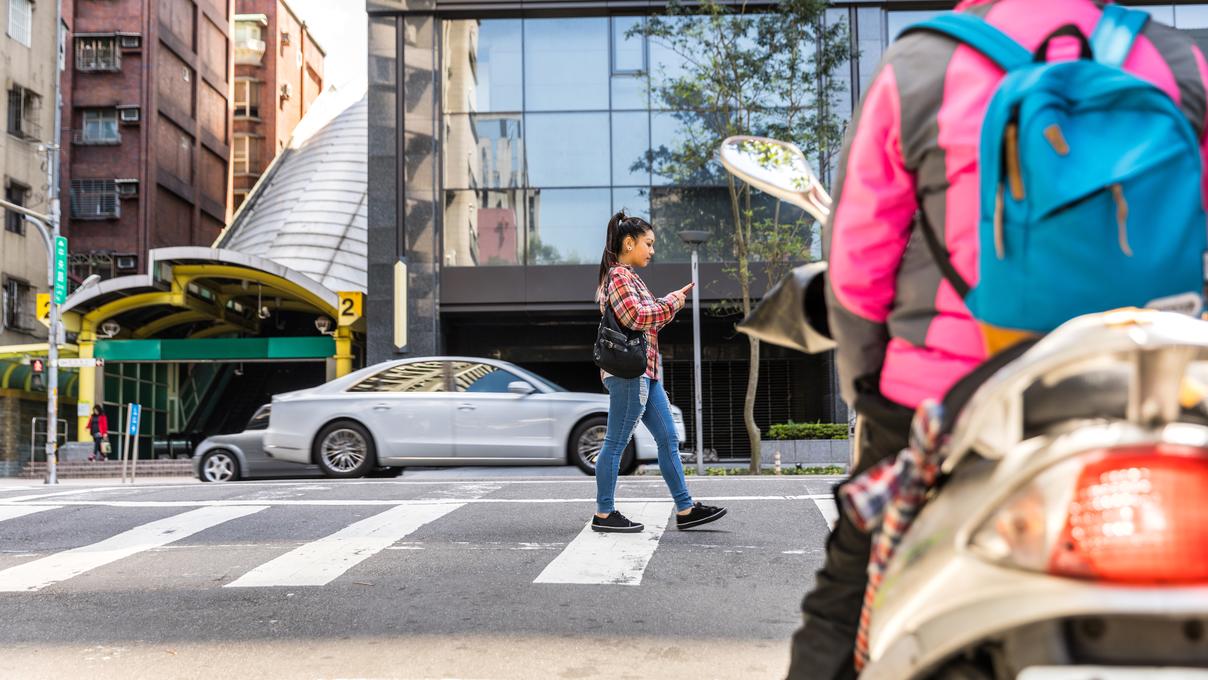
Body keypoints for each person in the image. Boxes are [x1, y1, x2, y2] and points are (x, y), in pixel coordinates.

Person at [787, 1, 1208, 678]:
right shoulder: (1176, 61)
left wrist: (873, 397)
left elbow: (858, 275)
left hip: (948, 399)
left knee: (842, 606)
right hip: (1149, 386)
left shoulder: (917, 65)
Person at [592, 211, 727, 533]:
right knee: (615, 443)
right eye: (648, 244)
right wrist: (670, 304)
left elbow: (647, 323)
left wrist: (671, 303)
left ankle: (685, 508)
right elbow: (637, 318)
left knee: (667, 439)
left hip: (646, 373)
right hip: (629, 374)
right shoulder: (619, 277)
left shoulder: (631, 277)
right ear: (629, 243)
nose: (652, 251)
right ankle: (604, 514)